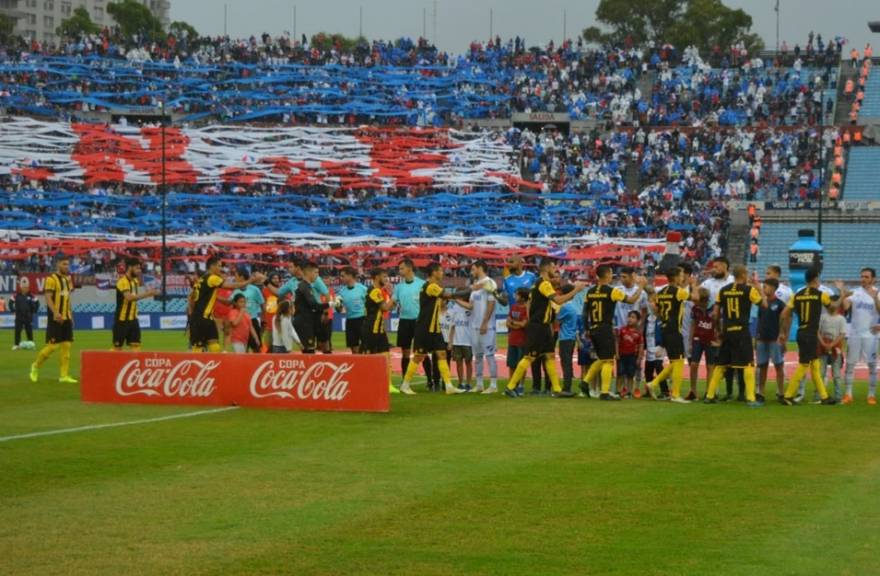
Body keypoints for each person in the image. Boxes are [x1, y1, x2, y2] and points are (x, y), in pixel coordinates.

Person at [504, 258, 586, 398]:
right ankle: (511, 386)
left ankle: (557, 389)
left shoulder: (537, 284)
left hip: (543, 326)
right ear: (546, 268)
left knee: (549, 356)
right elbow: (558, 300)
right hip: (539, 327)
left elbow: (531, 305)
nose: (556, 269)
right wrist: (576, 290)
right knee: (529, 357)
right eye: (554, 267)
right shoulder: (544, 283)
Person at [581, 264, 646, 401]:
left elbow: (585, 312)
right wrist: (641, 286)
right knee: (608, 360)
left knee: (601, 358)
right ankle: (605, 392)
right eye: (611, 273)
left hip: (593, 328)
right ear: (606, 274)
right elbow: (632, 300)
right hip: (605, 328)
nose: (612, 276)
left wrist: (587, 328)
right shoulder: (612, 291)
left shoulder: (590, 291)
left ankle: (585, 382)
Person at [704, 266, 766, 407]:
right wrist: (759, 288)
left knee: (721, 365)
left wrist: (719, 330)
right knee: (748, 364)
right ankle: (750, 398)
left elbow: (715, 314)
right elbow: (764, 305)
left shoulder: (723, 290)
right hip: (742, 331)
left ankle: (710, 395)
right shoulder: (748, 290)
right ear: (743, 275)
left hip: (727, 331)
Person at [399, 262, 462, 395]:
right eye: (440, 270)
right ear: (434, 272)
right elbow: (447, 296)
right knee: (418, 356)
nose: (442, 273)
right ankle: (405, 385)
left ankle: (449, 386)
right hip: (424, 328)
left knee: (442, 354)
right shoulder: (431, 286)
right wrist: (471, 288)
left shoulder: (432, 286)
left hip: (435, 328)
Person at [780, 267, 837, 405]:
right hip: (811, 334)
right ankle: (787, 395)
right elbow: (833, 309)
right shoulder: (820, 294)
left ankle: (824, 396)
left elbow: (784, 313)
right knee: (804, 365)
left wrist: (782, 331)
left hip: (801, 331)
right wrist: (843, 297)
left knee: (815, 365)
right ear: (816, 278)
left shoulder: (797, 295)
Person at [188, 256, 264, 353]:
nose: (221, 268)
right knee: (198, 349)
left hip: (207, 319)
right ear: (212, 266)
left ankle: (213, 367)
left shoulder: (202, 279)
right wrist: (251, 281)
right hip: (201, 319)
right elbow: (232, 286)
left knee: (215, 347)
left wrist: (191, 312)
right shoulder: (212, 278)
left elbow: (191, 297)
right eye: (219, 266)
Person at [646, 266, 698, 403]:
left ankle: (654, 383)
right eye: (681, 275)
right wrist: (693, 285)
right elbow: (696, 298)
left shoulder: (661, 292)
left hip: (664, 328)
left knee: (675, 361)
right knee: (679, 361)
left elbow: (656, 309)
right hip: (675, 330)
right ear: (675, 277)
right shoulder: (678, 292)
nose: (683, 278)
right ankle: (675, 394)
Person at [497, 255, 543, 394]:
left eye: (511, 261)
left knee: (527, 355)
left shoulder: (531, 277)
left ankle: (526, 385)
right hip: (514, 317)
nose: (509, 264)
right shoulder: (507, 280)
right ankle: (514, 384)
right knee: (514, 355)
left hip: (530, 320)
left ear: (520, 263)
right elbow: (504, 301)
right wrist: (496, 296)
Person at [30, 255, 77, 383]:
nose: (67, 267)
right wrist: (56, 313)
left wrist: (71, 316)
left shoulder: (68, 279)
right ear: (57, 265)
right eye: (64, 264)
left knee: (67, 345)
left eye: (68, 264)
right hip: (55, 317)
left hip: (66, 316)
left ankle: (64, 376)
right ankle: (35, 366)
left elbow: (67, 299)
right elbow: (48, 297)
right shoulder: (51, 279)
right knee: (52, 347)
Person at [392, 258, 435, 390]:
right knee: (405, 352)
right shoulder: (398, 287)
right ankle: (405, 381)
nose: (400, 271)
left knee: (422, 352)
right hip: (404, 321)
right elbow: (393, 303)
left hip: (419, 322)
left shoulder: (422, 284)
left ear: (409, 268)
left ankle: (430, 381)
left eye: (401, 268)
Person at [839, 268, 880, 404]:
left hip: (871, 335)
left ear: (873, 279)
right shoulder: (855, 293)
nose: (863, 279)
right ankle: (848, 394)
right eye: (862, 276)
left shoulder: (878, 293)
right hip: (855, 334)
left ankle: (871, 395)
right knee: (850, 365)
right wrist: (843, 294)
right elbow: (845, 307)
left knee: (872, 365)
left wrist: (875, 299)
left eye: (867, 277)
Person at [457, 261, 498, 393]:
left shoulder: (490, 283)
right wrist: (455, 299)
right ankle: (479, 384)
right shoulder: (475, 287)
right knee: (478, 356)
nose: (471, 271)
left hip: (487, 327)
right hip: (474, 326)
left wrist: (485, 322)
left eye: (473, 269)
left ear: (480, 268)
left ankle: (493, 385)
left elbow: (491, 304)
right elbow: (471, 306)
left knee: (490, 355)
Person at [361, 268, 396, 392]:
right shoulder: (374, 291)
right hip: (371, 329)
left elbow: (389, 307)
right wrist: (394, 296)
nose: (386, 280)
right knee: (370, 359)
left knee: (386, 357)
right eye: (384, 276)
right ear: (376, 277)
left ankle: (388, 385)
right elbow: (386, 307)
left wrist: (391, 297)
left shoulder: (379, 291)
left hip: (379, 330)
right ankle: (367, 385)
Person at [113, 257, 159, 351]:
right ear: (130, 267)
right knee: (117, 349)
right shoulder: (122, 282)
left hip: (133, 319)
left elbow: (135, 296)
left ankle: (136, 365)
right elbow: (129, 297)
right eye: (137, 268)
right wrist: (148, 293)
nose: (139, 271)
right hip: (122, 320)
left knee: (136, 346)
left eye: (140, 268)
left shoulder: (135, 281)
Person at [756, 277, 787, 403]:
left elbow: (783, 321)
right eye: (763, 286)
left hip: (774, 340)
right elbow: (759, 320)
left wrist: (782, 335)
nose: (764, 288)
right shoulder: (761, 303)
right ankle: (760, 392)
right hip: (761, 339)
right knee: (762, 366)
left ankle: (780, 392)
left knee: (778, 366)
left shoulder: (780, 304)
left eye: (766, 286)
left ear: (774, 288)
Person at [688, 288, 716, 401]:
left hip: (710, 339)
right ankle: (693, 391)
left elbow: (719, 322)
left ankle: (709, 392)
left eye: (697, 300)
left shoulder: (714, 308)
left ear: (703, 299)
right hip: (697, 338)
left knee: (710, 366)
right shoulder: (695, 308)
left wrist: (718, 338)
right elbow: (693, 324)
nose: (695, 302)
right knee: (694, 364)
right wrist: (690, 341)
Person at [293, 262, 328, 354]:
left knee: (309, 350)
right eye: (316, 272)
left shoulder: (306, 286)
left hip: (306, 321)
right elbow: (313, 304)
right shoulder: (304, 286)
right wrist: (330, 304)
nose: (317, 275)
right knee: (309, 352)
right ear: (309, 273)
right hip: (304, 322)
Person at [817, 297, 847, 401]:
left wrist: (832, 344)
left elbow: (842, 334)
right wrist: (824, 344)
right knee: (820, 373)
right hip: (822, 348)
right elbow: (818, 332)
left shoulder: (841, 319)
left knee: (837, 374)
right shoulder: (822, 317)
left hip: (836, 349)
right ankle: (819, 396)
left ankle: (838, 396)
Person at [231, 266, 265, 353]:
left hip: (252, 320)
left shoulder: (254, 289)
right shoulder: (235, 290)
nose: (234, 278)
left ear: (241, 277)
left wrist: (263, 320)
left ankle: (257, 365)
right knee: (242, 348)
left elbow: (262, 304)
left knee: (257, 348)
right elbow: (229, 302)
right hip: (240, 322)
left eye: (236, 275)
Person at [338, 266, 368, 354]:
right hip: (350, 321)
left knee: (365, 346)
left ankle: (366, 365)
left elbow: (369, 305)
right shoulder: (341, 292)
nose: (341, 278)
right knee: (353, 348)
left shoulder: (363, 289)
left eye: (343, 276)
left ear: (350, 276)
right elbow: (339, 309)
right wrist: (338, 306)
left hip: (362, 320)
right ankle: (358, 366)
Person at [505, 287, 530, 394]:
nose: (514, 296)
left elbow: (524, 324)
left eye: (517, 294)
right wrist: (516, 324)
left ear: (523, 297)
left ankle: (521, 385)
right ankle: (511, 385)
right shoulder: (513, 307)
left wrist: (513, 323)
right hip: (512, 340)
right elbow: (507, 322)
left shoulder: (526, 309)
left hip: (522, 341)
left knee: (521, 365)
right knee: (511, 364)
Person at [557, 285, 579, 394]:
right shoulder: (573, 307)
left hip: (565, 338)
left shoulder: (565, 307)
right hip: (571, 337)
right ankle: (567, 386)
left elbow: (556, 319)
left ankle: (566, 388)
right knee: (568, 362)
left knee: (565, 363)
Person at [617, 311, 644, 399]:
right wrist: (617, 353)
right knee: (620, 374)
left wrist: (639, 358)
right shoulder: (622, 330)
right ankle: (618, 391)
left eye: (633, 317)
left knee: (630, 375)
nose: (630, 319)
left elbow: (641, 345)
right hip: (621, 355)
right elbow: (617, 342)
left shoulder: (638, 333)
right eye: (629, 317)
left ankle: (629, 392)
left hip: (632, 356)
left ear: (638, 320)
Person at [448, 299, 473, 391]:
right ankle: (460, 383)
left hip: (468, 341)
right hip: (457, 341)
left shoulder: (470, 307)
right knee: (459, 363)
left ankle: (469, 383)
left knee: (468, 363)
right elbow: (453, 326)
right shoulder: (455, 307)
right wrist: (450, 341)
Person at [10, 277, 38, 351]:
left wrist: (34, 311)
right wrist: (13, 310)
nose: (26, 288)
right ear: (21, 287)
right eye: (24, 287)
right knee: (18, 330)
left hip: (28, 316)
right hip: (19, 316)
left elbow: (37, 302)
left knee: (29, 331)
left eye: (27, 287)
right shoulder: (16, 295)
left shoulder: (31, 295)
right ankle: (16, 345)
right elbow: (10, 302)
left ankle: (31, 345)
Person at [262, 272, 282, 352]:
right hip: (269, 322)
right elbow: (263, 305)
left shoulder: (282, 290)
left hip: (279, 322)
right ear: (270, 280)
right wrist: (263, 318)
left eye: (277, 278)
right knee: (269, 345)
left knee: (279, 346)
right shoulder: (265, 291)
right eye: (274, 278)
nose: (276, 280)